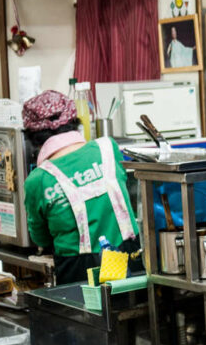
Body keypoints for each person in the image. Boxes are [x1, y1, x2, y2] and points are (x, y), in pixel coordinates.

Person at [22, 89, 144, 285]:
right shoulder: (108, 149)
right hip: (127, 259)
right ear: (74, 121)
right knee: (129, 308)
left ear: (32, 137)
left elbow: (40, 238)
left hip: (77, 271)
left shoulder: (38, 180)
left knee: (87, 314)